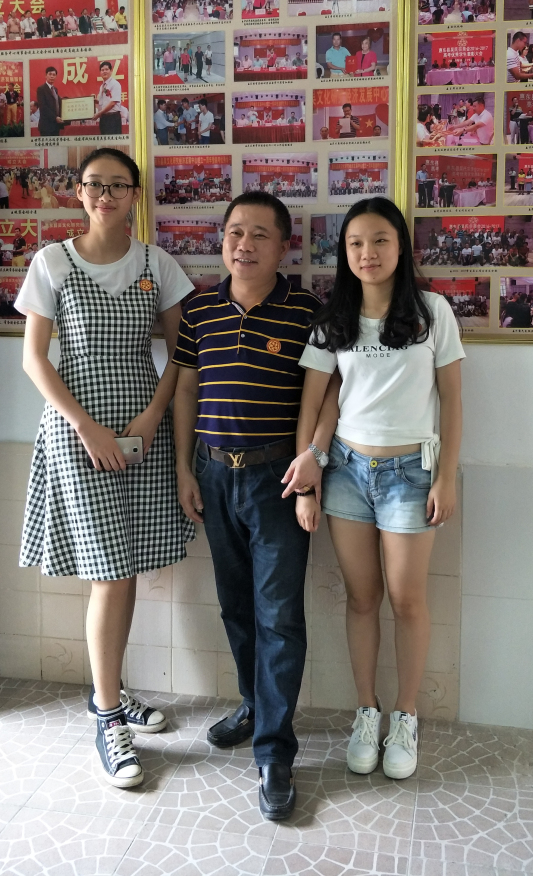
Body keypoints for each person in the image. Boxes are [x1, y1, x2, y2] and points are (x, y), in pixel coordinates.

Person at [17, 148, 194, 789]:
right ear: (80, 192)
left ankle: (110, 690)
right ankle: (108, 716)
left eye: (118, 185)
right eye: (94, 184)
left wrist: (151, 418)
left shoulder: (156, 264)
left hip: (142, 433)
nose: (105, 195)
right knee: (110, 574)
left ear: (135, 195)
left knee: (128, 565)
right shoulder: (52, 262)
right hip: (78, 436)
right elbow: (35, 360)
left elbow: (182, 352)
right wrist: (87, 428)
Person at [291, 197, 463, 780]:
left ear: (401, 246)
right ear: (344, 251)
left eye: (380, 240)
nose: (368, 253)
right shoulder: (332, 319)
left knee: (407, 599)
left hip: (411, 475)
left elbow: (453, 400)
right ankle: (367, 712)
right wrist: (308, 482)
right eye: (356, 243)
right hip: (345, 472)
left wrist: (445, 477)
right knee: (362, 599)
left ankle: (405, 715)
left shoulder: (432, 312)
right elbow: (314, 403)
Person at [173, 192, 324, 821]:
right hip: (213, 474)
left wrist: (311, 471)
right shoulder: (200, 310)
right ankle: (254, 706)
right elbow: (186, 389)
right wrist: (185, 468)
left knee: (279, 616)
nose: (245, 244)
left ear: (284, 246)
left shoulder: (307, 312)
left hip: (276, 479)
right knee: (236, 606)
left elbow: (325, 393)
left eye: (260, 234)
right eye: (235, 231)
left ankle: (275, 753)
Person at [93, 60, 123, 135]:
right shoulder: (102, 86)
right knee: (105, 140)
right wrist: (95, 101)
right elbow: (103, 102)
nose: (104, 72)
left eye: (106, 69)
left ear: (111, 70)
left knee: (113, 141)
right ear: (100, 72)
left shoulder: (115, 84)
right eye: (102, 70)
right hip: (104, 118)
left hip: (112, 118)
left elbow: (113, 103)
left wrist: (99, 113)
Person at [36, 65, 65, 137]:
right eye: (50, 74)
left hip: (56, 126)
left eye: (54, 75)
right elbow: (43, 107)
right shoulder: (41, 89)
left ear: (56, 77)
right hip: (46, 126)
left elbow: (58, 104)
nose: (52, 76)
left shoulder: (55, 89)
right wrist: (55, 118)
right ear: (46, 76)